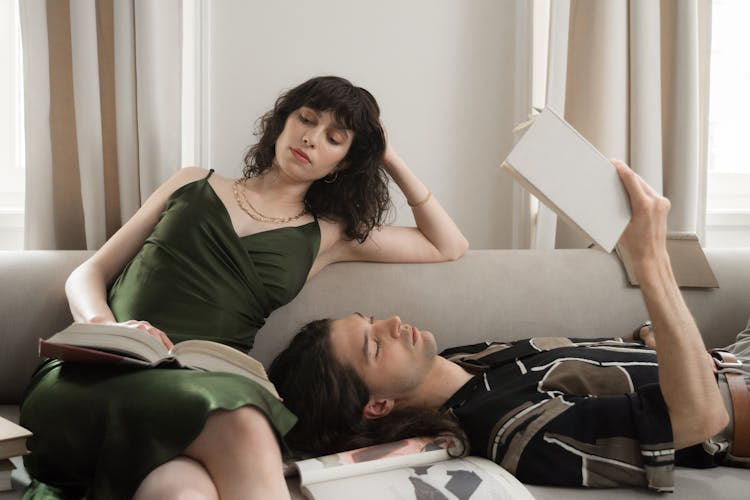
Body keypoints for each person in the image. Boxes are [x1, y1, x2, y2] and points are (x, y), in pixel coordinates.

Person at [19, 76, 468, 500]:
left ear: (344, 163)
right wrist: (109, 329)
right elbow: (88, 273)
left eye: (335, 137)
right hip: (96, 378)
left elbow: (447, 245)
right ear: (283, 121)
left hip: (195, 393)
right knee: (246, 419)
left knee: (185, 491)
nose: (311, 137)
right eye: (306, 119)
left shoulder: (327, 235)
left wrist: (389, 156)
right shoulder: (192, 182)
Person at [269, 160, 746, 492]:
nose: (393, 323)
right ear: (378, 405)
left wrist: (655, 341)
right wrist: (651, 262)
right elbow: (697, 422)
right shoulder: (509, 430)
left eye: (372, 321)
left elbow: (606, 370)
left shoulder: (466, 361)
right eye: (374, 346)